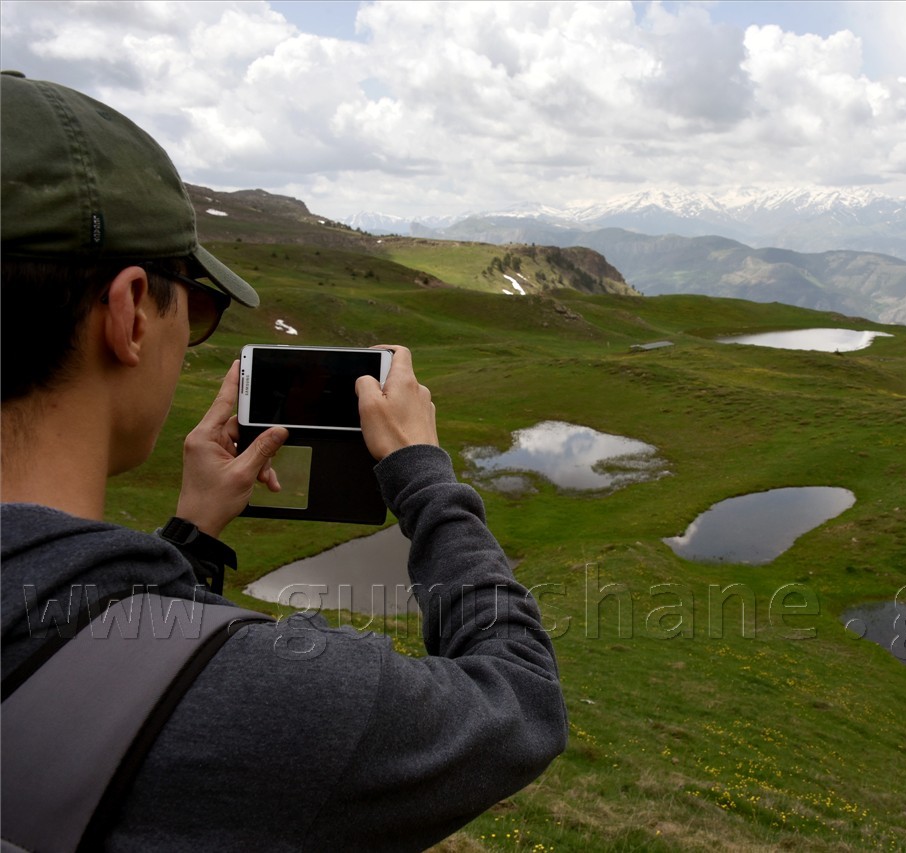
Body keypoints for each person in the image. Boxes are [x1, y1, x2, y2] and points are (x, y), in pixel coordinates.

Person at [0, 71, 567, 850]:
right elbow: (523, 704)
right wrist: (427, 476)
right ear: (130, 313)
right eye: (195, 306)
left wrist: (188, 538)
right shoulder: (274, 699)